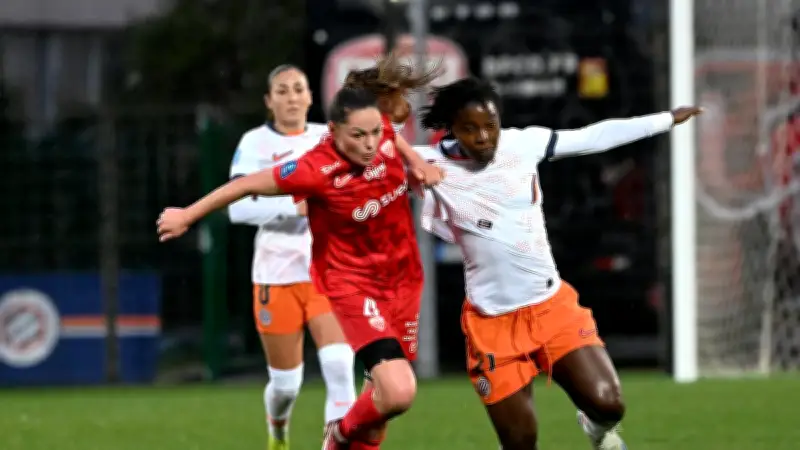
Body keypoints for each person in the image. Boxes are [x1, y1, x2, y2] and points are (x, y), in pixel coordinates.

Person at [413, 77, 702, 450]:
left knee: (609, 405)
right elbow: (360, 155)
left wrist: (665, 119)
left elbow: (592, 137)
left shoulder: (523, 144)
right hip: (493, 324)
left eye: (490, 126)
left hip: (551, 309)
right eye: (470, 129)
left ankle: (595, 428)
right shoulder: (427, 164)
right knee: (521, 442)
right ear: (451, 128)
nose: (483, 137)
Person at [157, 87, 436, 450]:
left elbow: (389, 132)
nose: (370, 144)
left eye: (374, 133)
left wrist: (415, 161)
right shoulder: (313, 169)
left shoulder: (378, 132)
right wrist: (187, 215)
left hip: (403, 280)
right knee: (397, 391)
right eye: (358, 135)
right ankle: (337, 433)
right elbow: (244, 185)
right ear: (333, 131)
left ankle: (342, 436)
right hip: (352, 284)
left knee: (381, 399)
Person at [227, 64, 356, 450]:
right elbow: (237, 207)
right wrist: (293, 205)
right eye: (282, 91)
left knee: (339, 368)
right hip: (276, 274)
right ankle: (278, 431)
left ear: (311, 97)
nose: (292, 97)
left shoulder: (329, 138)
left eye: (298, 89)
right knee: (286, 385)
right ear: (269, 101)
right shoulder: (254, 143)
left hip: (328, 272)